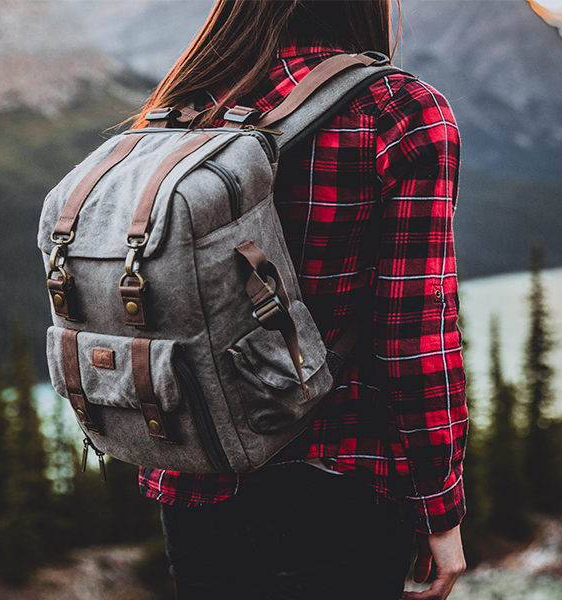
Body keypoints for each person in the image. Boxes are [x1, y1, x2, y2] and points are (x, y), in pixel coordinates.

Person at [131, 2, 467, 598]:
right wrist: (438, 510)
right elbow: (415, 335)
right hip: (335, 480)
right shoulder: (396, 110)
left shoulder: (184, 104)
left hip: (195, 479)